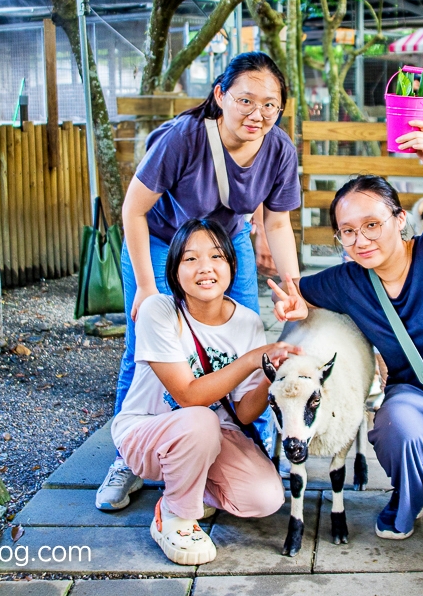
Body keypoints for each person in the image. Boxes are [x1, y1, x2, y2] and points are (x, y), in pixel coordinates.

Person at [269, 121, 423, 553]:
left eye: (372, 224)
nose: (361, 239)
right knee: (393, 425)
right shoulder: (349, 280)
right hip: (418, 399)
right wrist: (297, 306)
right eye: (347, 231)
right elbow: (298, 293)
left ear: (399, 219)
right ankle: (408, 497)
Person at [97, 52, 302, 512]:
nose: (258, 113)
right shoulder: (184, 139)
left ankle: (254, 445)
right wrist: (149, 289)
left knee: (247, 334)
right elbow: (133, 209)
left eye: (270, 104)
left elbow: (280, 223)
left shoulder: (279, 149)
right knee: (144, 344)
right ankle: (127, 457)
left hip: (228, 241)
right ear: (220, 96)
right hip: (162, 241)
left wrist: (292, 287)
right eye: (246, 100)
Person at [113, 218, 292, 565]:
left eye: (216, 257)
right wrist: (251, 360)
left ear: (231, 265)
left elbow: (241, 412)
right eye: (190, 259)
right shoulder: (159, 311)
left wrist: (271, 375)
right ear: (175, 270)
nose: (205, 268)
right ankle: (176, 514)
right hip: (146, 431)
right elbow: (188, 396)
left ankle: (191, 487)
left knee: (265, 497)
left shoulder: (248, 322)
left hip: (213, 435)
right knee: (198, 419)